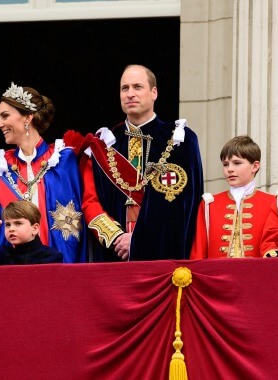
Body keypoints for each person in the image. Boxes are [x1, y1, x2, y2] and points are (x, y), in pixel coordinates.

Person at [79, 64, 203, 261]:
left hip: (163, 256)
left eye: (137, 87)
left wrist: (139, 241)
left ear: (154, 92)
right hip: (114, 255)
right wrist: (116, 238)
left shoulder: (181, 140)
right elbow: (90, 201)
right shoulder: (104, 144)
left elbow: (183, 206)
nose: (130, 94)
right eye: (124, 88)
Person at [0, 83, 86, 263]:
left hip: (59, 266)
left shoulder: (63, 160)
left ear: (27, 118)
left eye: (5, 116)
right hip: (13, 270)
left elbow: (80, 221)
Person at [190, 135, 274, 259]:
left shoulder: (272, 203)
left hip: (257, 276)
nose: (230, 169)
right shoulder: (209, 205)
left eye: (237, 163)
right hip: (217, 276)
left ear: (255, 166)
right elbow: (198, 253)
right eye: (225, 164)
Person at [0, 200, 63, 265]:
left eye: (18, 223)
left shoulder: (51, 256)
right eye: (7, 225)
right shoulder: (4, 255)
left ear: (35, 229)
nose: (11, 229)